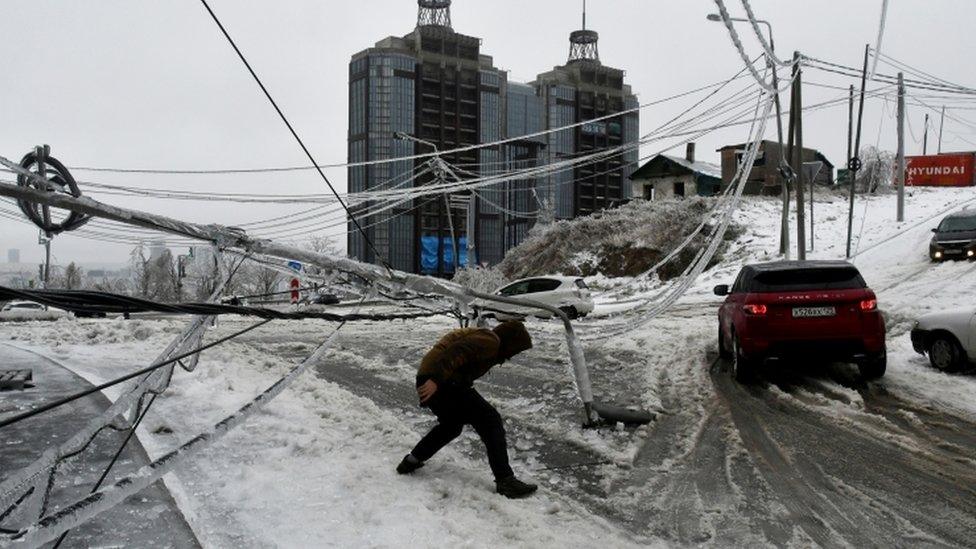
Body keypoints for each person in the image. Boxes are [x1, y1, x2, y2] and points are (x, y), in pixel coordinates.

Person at [396, 320, 538, 499]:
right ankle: (506, 481)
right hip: (440, 380)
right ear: (511, 341)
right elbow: (456, 351)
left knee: (451, 425)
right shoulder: (491, 340)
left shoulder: (489, 341)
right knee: (490, 419)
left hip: (436, 378)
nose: (514, 355)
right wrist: (436, 379)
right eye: (517, 349)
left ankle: (411, 462)